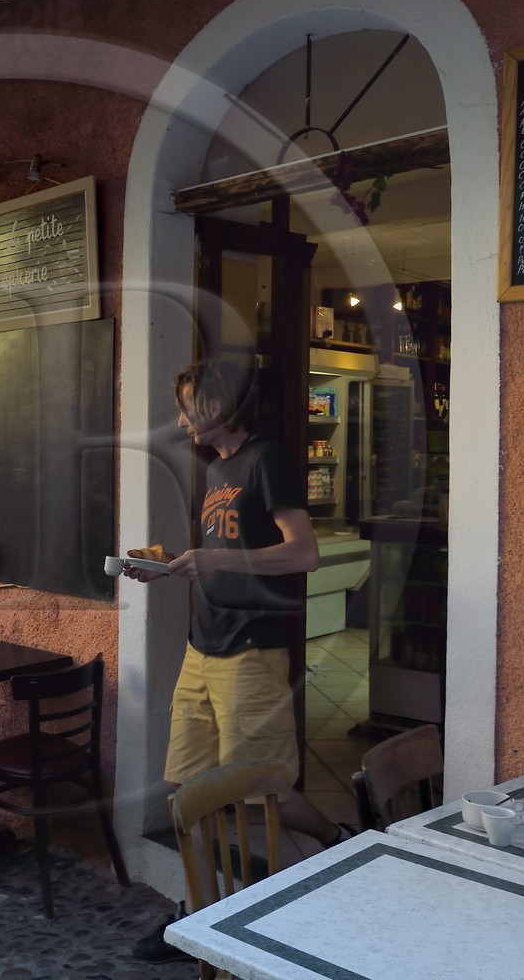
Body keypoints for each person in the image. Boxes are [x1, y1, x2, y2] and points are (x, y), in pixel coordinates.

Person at [130, 358, 354, 964]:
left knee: (265, 793)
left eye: (188, 406)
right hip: (202, 647)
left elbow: (302, 554)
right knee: (188, 794)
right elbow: (225, 551)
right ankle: (198, 914)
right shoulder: (218, 470)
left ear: (219, 405)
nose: (181, 420)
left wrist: (219, 561)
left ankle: (342, 843)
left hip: (253, 650)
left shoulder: (268, 460)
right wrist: (169, 565)